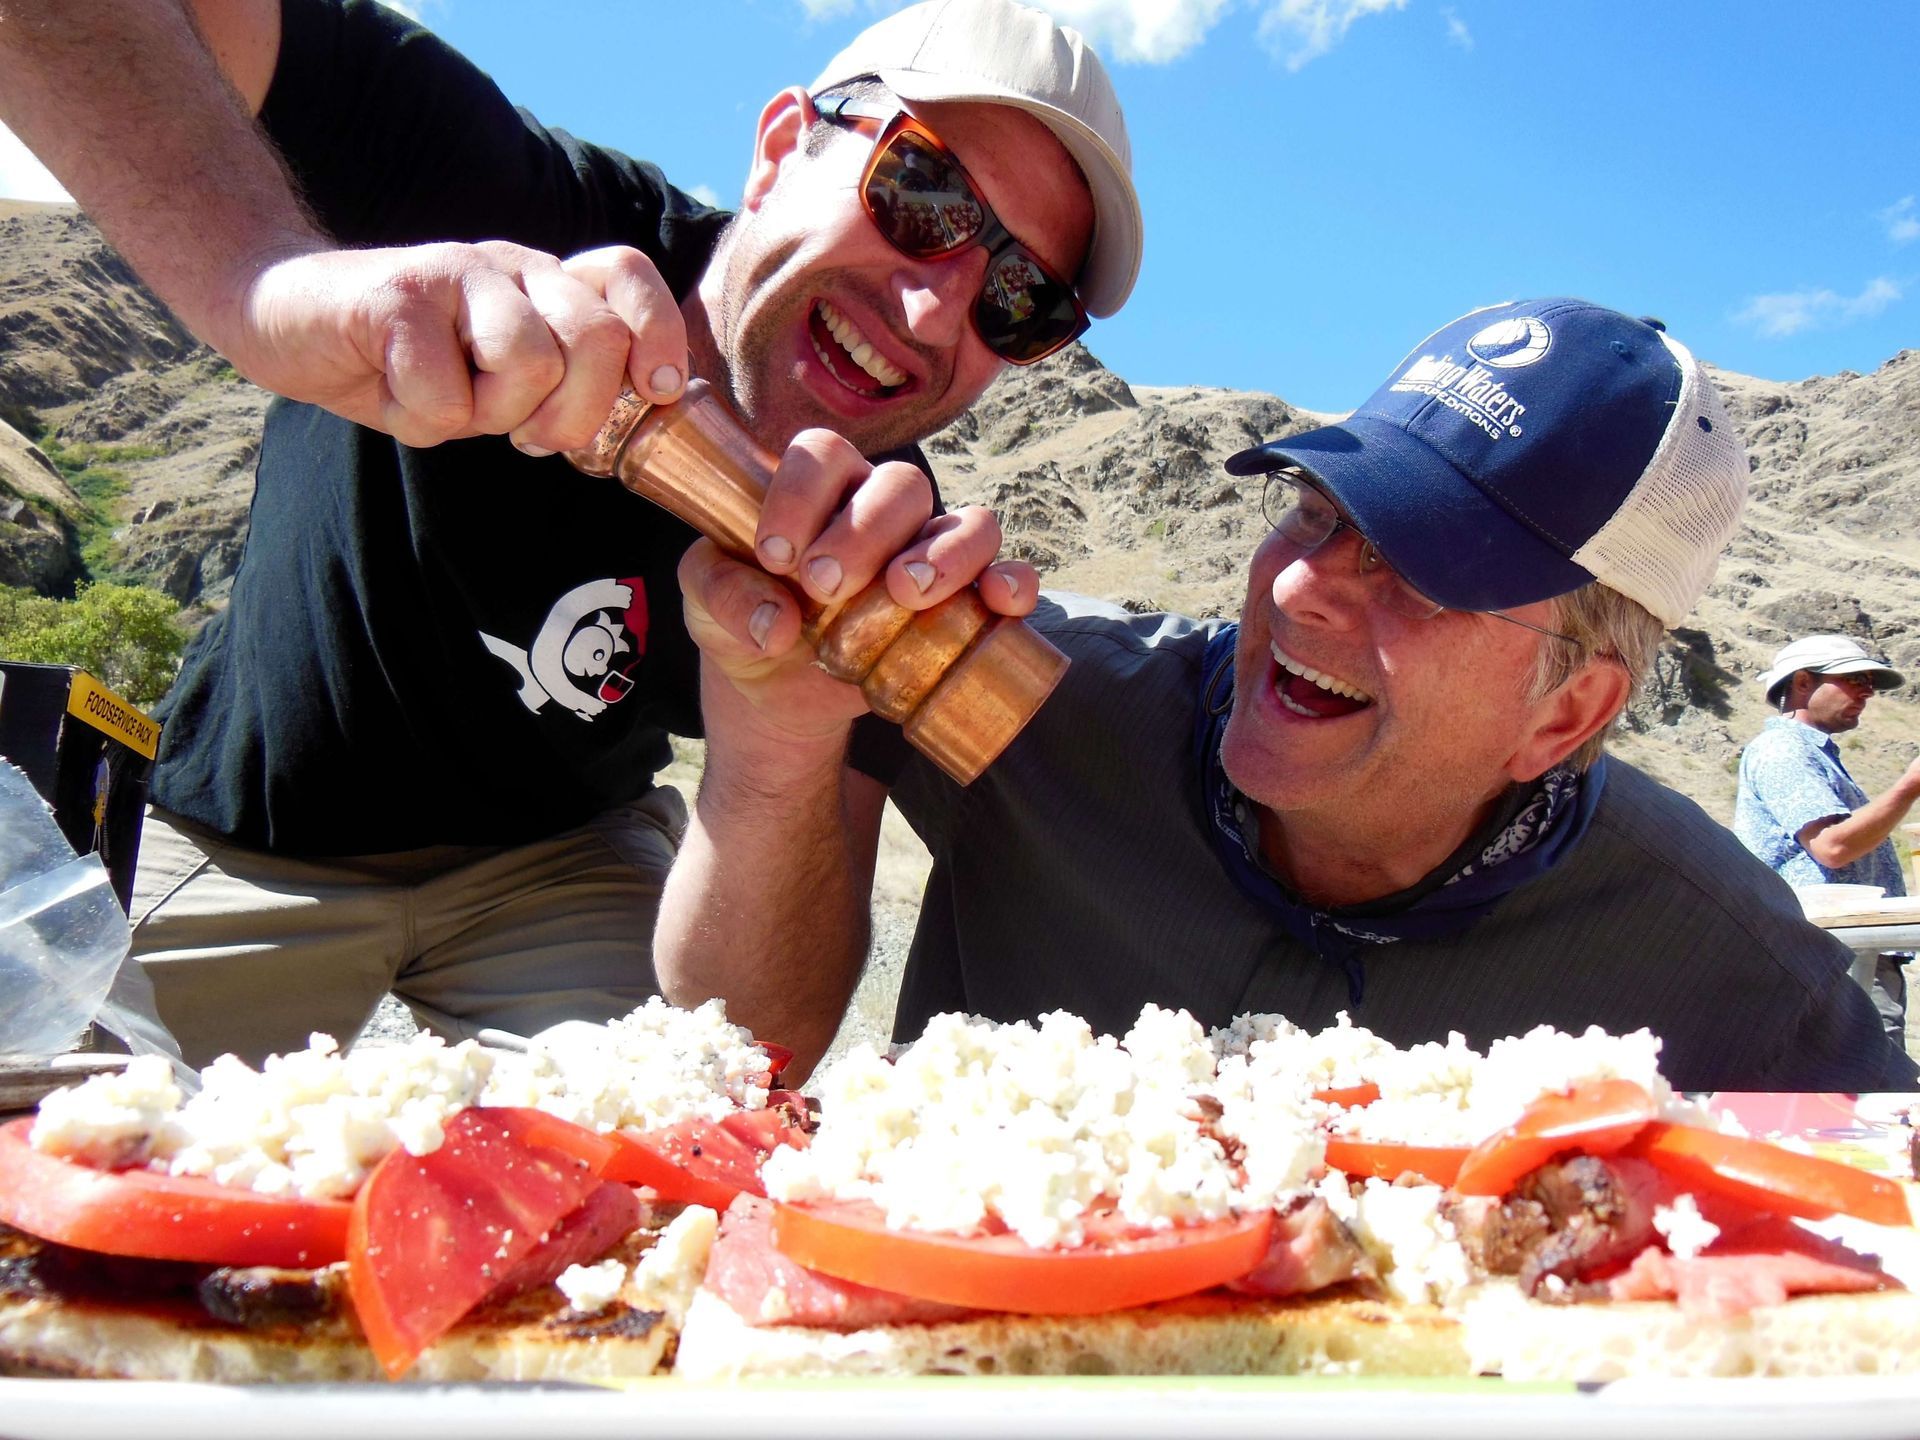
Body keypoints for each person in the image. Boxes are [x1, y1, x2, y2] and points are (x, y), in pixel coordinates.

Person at [0, 0, 1140, 1065]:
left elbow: (764, 1042)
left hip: (561, 858)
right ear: (783, 145)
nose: (936, 308)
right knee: (67, 1154)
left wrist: (775, 758)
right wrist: (266, 284)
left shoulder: (882, 527)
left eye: (1021, 299)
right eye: (924, 194)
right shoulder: (502, 196)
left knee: (687, 1153)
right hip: (256, 822)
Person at [657, 296, 1920, 1094]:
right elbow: (730, 1052)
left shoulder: (1715, 955)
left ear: (1568, 714)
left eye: (1429, 572)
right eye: (1317, 510)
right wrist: (773, 747)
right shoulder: (1028, 693)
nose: (1308, 586)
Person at [1735, 634, 1918, 1046]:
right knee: (1867, 1082)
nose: (1868, 690)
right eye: (1855, 678)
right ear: (1802, 682)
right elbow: (1833, 848)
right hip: (1831, 955)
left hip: (1842, 954)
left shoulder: (1812, 753)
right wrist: (1909, 786)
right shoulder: (1783, 750)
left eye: (1870, 680)